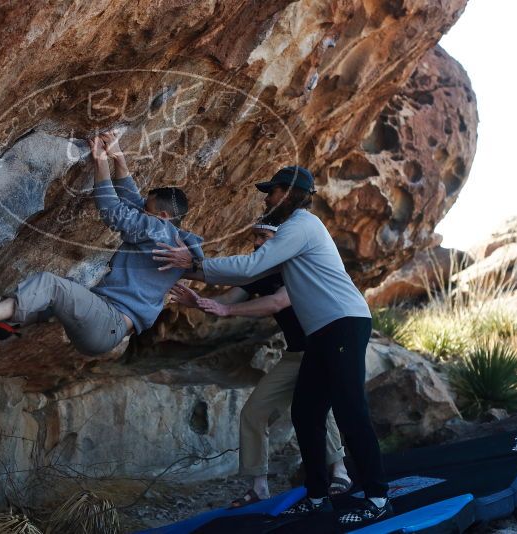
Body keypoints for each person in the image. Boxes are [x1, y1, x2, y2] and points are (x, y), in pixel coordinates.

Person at [154, 166, 391, 527]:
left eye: (273, 191)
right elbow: (249, 275)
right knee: (306, 414)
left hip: (344, 324)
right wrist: (189, 272)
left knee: (349, 409)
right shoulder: (292, 231)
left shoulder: (302, 224)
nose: (267, 198)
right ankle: (316, 495)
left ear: (292, 192)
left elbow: (254, 264)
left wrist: (195, 264)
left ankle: (376, 496)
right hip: (321, 335)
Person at [0, 130, 204, 356]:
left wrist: (100, 162)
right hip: (107, 329)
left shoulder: (160, 231)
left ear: (163, 217)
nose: (141, 211)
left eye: (147, 210)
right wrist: (119, 160)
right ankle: (6, 322)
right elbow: (133, 203)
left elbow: (113, 210)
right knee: (59, 296)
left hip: (107, 320)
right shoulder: (169, 237)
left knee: (51, 285)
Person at [169, 219, 351, 508]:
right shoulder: (261, 274)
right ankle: (259, 487)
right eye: (255, 237)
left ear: (283, 240)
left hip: (321, 350)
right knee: (254, 412)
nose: (256, 243)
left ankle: (339, 471)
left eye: (263, 237)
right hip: (294, 355)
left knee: (318, 409)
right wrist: (198, 301)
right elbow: (228, 297)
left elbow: (276, 303)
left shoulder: (301, 267)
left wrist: (227, 310)